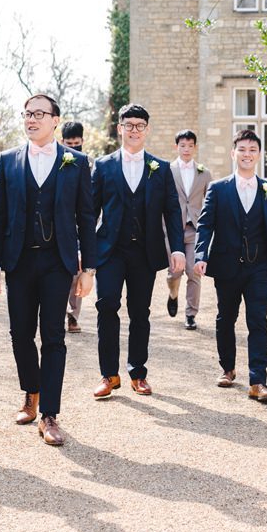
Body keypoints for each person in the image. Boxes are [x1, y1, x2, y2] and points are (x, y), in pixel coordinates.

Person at [0, 94, 95, 447]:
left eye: (39, 114)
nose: (31, 119)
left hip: (56, 262)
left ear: (55, 121)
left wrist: (88, 267)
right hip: (19, 261)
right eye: (27, 114)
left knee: (54, 337)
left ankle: (49, 413)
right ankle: (30, 392)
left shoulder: (76, 163)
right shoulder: (7, 161)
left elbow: (86, 218)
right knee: (20, 334)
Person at [88, 104, 186, 398]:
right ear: (119, 129)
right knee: (106, 306)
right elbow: (90, 211)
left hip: (145, 251)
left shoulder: (161, 168)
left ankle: (138, 372)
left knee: (140, 312)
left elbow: (172, 211)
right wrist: (83, 248)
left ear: (147, 130)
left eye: (139, 125)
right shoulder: (103, 166)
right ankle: (109, 375)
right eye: (128, 125)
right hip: (110, 250)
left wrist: (178, 249)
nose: (133, 130)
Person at [193, 128, 267, 402]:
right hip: (226, 265)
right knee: (226, 318)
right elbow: (205, 224)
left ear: (259, 154)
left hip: (259, 267)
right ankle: (227, 368)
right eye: (242, 150)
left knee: (258, 321)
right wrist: (201, 254)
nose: (247, 154)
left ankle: (258, 381)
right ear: (233, 153)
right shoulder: (218, 188)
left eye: (252, 150)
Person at [167, 130, 211, 330]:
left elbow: (210, 203)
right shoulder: (167, 170)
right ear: (176, 147)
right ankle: (173, 294)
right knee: (174, 273)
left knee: (194, 272)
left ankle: (191, 314)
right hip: (173, 229)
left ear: (195, 147)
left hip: (195, 230)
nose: (186, 149)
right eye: (182, 145)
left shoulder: (204, 172)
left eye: (190, 145)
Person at [60, 121, 88, 333]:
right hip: (62, 228)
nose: (73, 147)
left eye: (76, 144)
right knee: (63, 274)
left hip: (84, 228)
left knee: (79, 274)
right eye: (69, 143)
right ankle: (59, 312)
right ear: (62, 142)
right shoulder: (55, 162)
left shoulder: (90, 164)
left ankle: (73, 316)